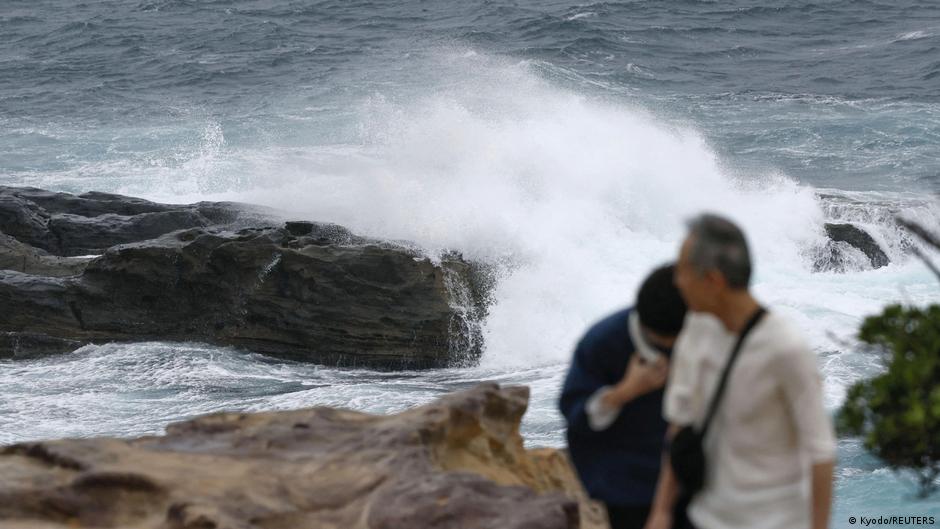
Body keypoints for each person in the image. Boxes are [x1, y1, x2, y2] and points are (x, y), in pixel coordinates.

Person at [645, 214, 836, 529]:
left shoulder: (784, 348)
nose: (676, 281)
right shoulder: (695, 329)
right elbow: (680, 425)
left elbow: (821, 453)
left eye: (683, 271)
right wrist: (661, 512)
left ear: (714, 281)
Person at [560, 264, 688, 529]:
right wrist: (625, 392)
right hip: (624, 481)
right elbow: (577, 417)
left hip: (690, 474)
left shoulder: (702, 331)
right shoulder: (604, 342)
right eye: (663, 342)